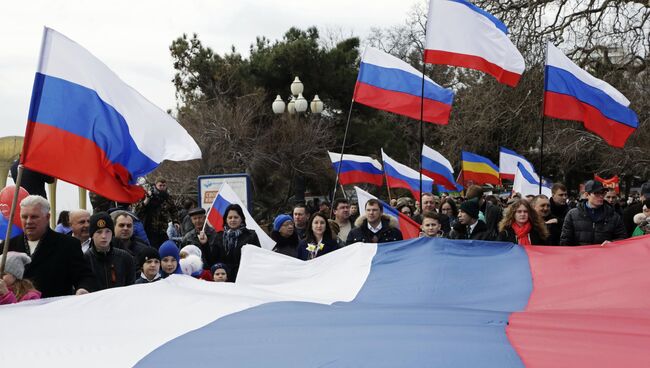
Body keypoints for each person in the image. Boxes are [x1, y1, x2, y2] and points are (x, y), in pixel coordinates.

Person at [8, 195, 95, 297]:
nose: (28, 221)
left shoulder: (68, 245)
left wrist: (82, 289)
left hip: (55, 309)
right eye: (24, 217)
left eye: (34, 217)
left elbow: (84, 277)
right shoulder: (7, 246)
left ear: (47, 217)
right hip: (17, 311)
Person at [560, 180, 627, 246]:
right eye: (597, 193)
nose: (601, 196)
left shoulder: (613, 216)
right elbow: (565, 242)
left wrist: (612, 243)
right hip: (580, 256)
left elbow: (623, 238)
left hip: (604, 255)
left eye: (603, 193)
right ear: (587, 195)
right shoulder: (572, 215)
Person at [84, 212, 135, 291]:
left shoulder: (125, 258)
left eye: (107, 231)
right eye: (99, 232)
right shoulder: (85, 260)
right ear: (92, 235)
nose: (104, 236)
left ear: (112, 233)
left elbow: (131, 287)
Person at [212, 204, 261, 282]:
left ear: (241, 218)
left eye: (236, 217)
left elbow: (257, 258)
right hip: (224, 280)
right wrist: (204, 244)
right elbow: (212, 259)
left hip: (244, 278)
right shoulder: (219, 236)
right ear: (226, 219)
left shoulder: (251, 235)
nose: (233, 220)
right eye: (230, 217)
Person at [134, 178, 179, 248]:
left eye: (164, 186)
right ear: (156, 185)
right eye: (160, 185)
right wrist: (147, 199)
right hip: (149, 229)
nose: (162, 188)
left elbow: (173, 210)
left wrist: (175, 221)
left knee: (165, 247)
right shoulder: (148, 195)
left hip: (163, 229)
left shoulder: (167, 198)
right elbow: (137, 210)